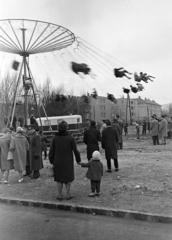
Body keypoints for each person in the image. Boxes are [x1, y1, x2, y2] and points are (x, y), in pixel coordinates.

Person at [49, 121, 81, 201]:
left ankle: (60, 195)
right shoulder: (70, 137)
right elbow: (75, 150)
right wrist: (78, 160)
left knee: (59, 179)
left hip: (57, 160)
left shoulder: (55, 138)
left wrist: (52, 161)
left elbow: (51, 151)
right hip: (68, 160)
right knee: (68, 178)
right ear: (67, 127)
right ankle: (68, 194)